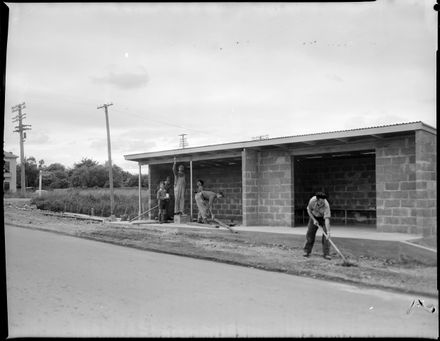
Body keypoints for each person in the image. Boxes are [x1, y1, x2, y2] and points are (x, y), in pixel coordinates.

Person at [303, 192, 332, 260]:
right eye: (321, 201)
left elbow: (327, 219)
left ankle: (326, 254)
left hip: (323, 218)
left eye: (323, 201)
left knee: (326, 237)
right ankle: (307, 251)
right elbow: (309, 210)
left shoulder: (326, 205)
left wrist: (328, 232)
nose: (322, 203)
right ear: (317, 200)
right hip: (314, 216)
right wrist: (314, 220)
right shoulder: (312, 201)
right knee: (310, 234)